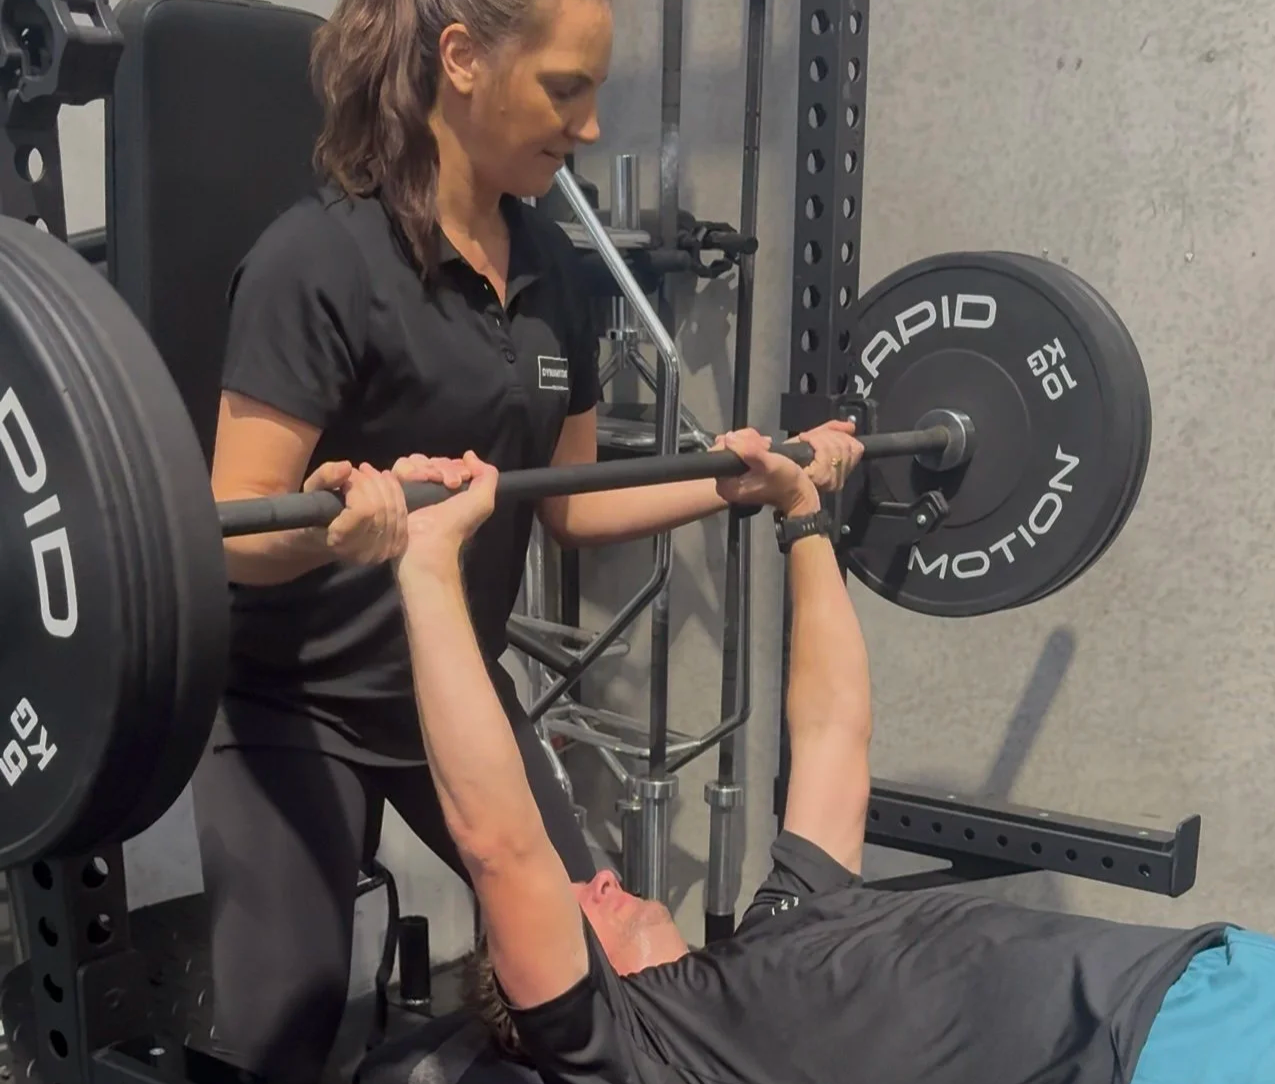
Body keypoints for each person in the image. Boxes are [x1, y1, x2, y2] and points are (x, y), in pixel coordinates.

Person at [195, 0, 858, 1078]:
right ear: (459, 61)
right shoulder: (315, 261)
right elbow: (231, 527)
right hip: (288, 706)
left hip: (451, 684)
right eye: (567, 88)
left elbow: (571, 504)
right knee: (283, 1038)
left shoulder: (558, 268)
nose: (591, 126)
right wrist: (339, 531)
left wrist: (725, 484)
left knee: (592, 972)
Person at [390, 432, 1275, 1084]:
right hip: (1157, 1056)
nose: (592, 878)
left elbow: (830, 731)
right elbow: (502, 847)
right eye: (573, 898)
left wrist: (803, 515)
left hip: (1218, 971)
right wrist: (428, 565)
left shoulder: (785, 917)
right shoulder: (633, 1049)